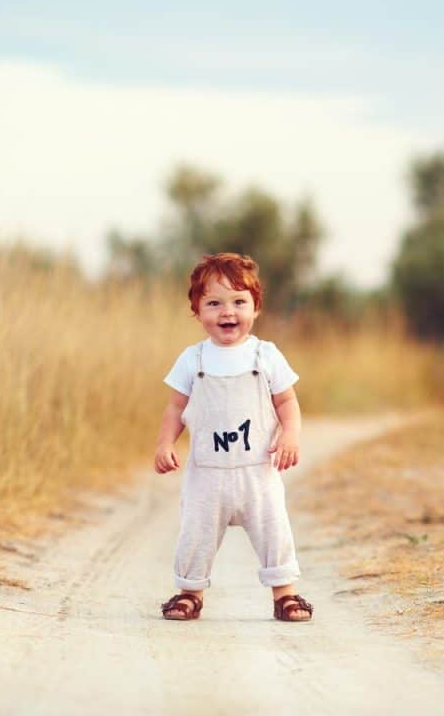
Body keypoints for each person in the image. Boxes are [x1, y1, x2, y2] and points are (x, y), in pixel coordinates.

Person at [153, 252, 314, 623]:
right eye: (214, 303)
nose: (227, 312)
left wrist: (290, 434)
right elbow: (176, 409)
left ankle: (285, 594)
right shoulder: (193, 360)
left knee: (274, 529)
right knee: (196, 533)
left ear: (255, 307)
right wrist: (165, 443)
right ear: (197, 310)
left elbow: (288, 401)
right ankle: (189, 592)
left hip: (258, 471)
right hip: (206, 473)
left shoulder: (266, 355)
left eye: (239, 302)